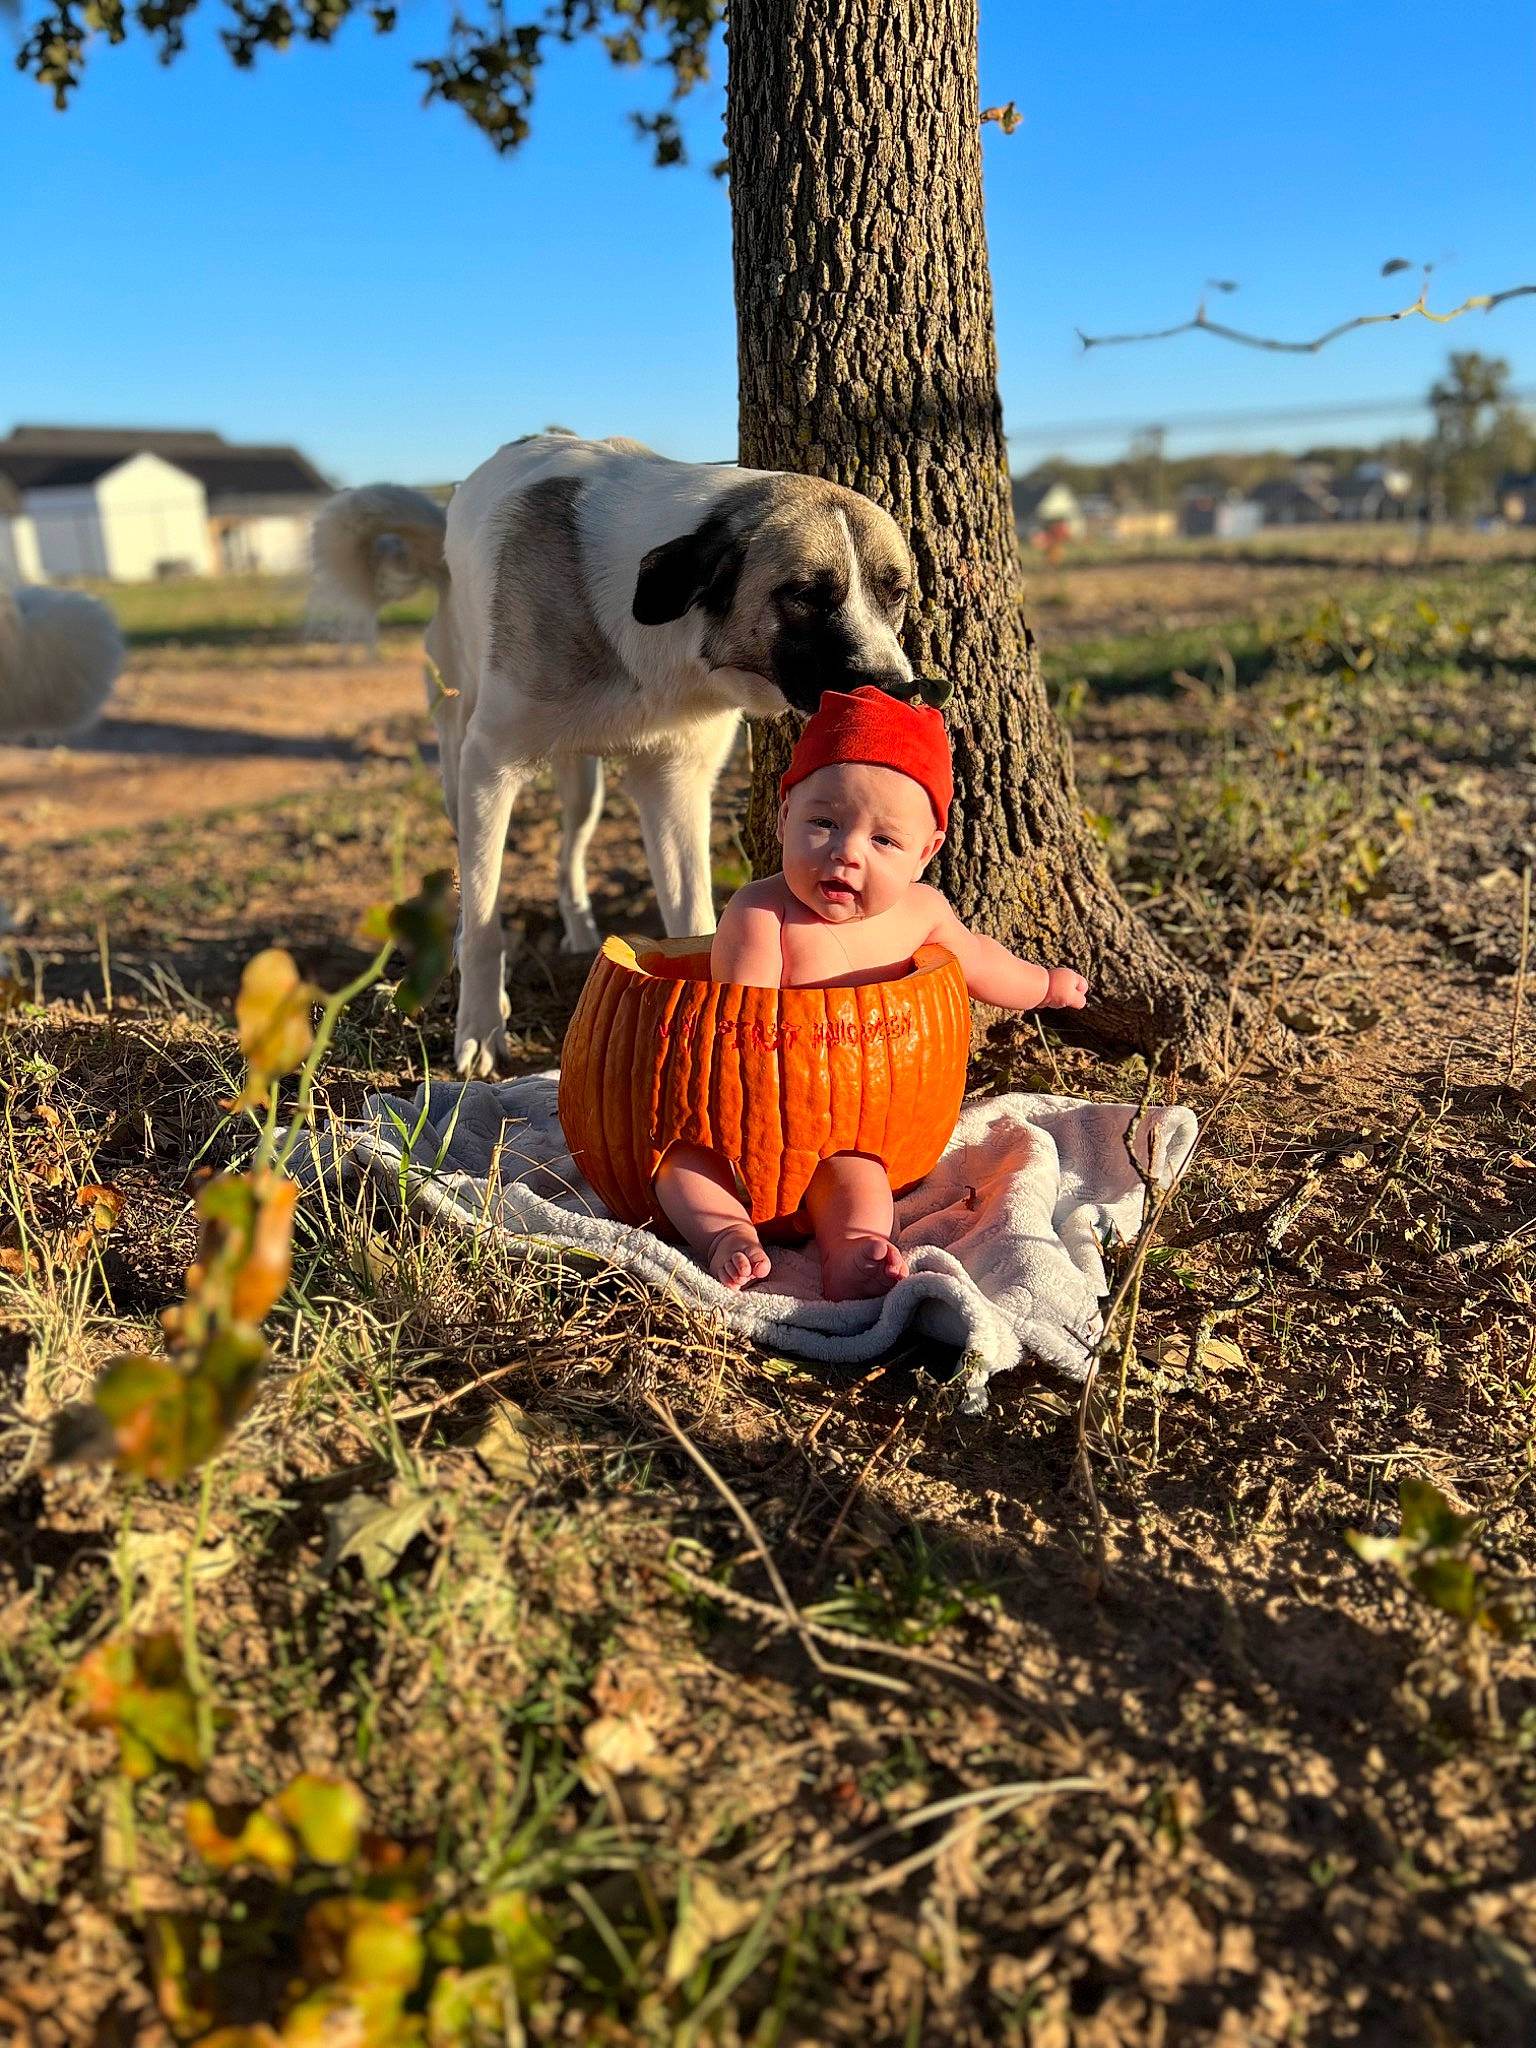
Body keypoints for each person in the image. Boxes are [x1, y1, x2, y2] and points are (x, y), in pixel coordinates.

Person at [652, 687, 1088, 1298]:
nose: (846, 851)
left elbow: (982, 961)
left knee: (861, 1180)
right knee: (679, 1166)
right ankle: (727, 1236)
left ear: (925, 853)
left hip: (848, 1124)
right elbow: (739, 1019)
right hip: (741, 1126)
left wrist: (1043, 986)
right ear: (783, 818)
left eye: (883, 841)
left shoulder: (923, 913)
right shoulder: (760, 912)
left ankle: (854, 1250)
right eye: (823, 823)